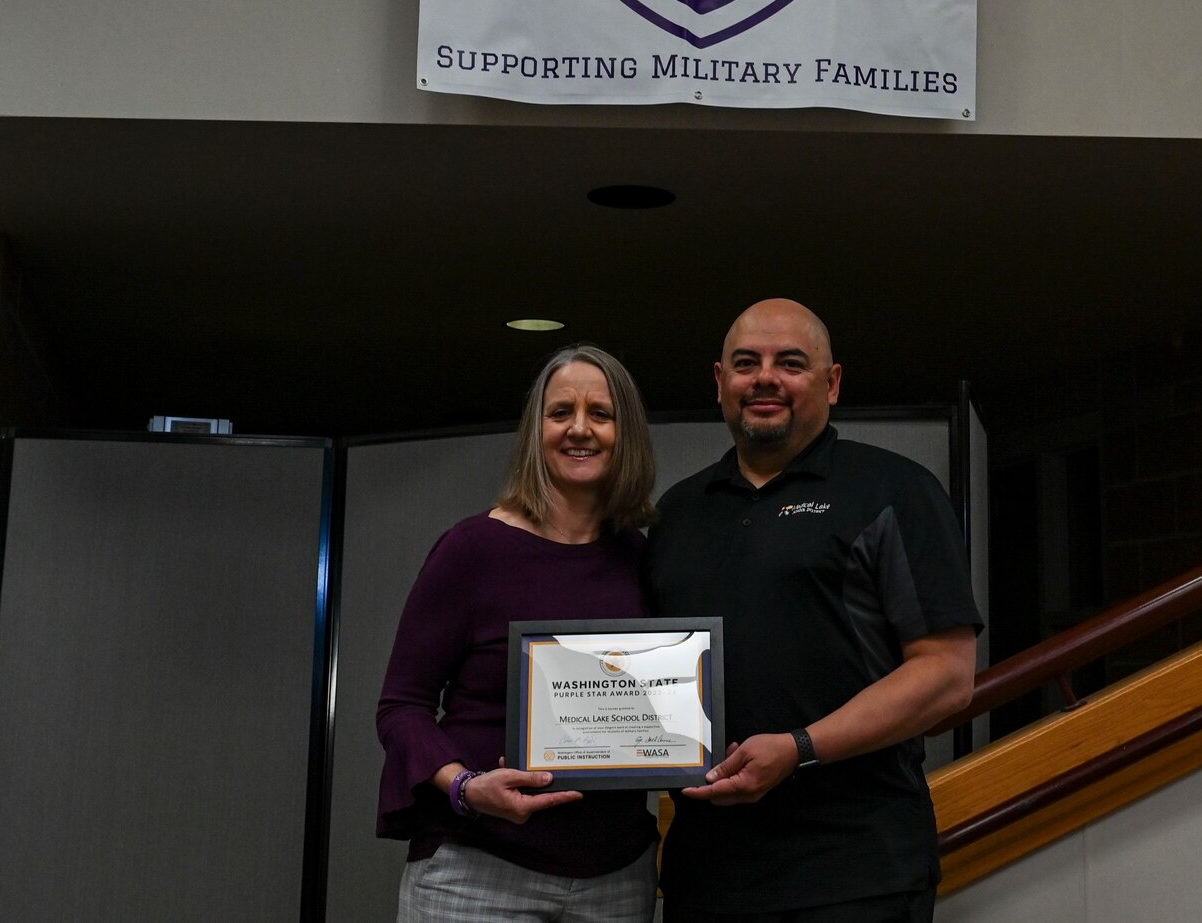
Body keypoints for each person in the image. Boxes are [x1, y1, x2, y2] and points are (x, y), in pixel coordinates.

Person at [645, 300, 982, 923]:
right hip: (705, 878)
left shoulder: (894, 490)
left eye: (790, 363)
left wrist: (799, 748)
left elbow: (947, 677)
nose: (765, 377)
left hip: (854, 874)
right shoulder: (675, 514)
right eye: (747, 364)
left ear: (831, 384)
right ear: (720, 383)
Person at [378, 345, 660, 923]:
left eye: (600, 414)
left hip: (618, 878)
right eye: (560, 413)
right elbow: (400, 708)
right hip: (476, 872)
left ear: (624, 432)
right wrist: (465, 788)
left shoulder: (645, 559)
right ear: (537, 430)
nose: (579, 429)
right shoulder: (472, 549)